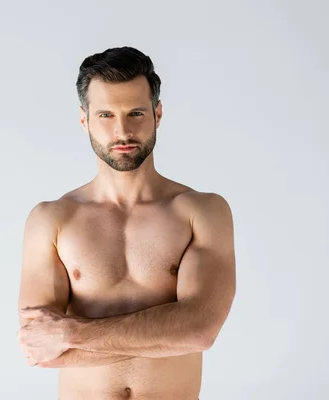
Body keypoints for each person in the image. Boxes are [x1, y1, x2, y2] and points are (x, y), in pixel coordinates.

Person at [16, 46, 236, 400]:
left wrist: (71, 333)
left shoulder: (201, 212)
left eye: (135, 112)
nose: (122, 131)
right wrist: (167, 333)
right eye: (105, 115)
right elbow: (40, 349)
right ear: (84, 119)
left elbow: (200, 330)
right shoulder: (52, 220)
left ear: (157, 113)